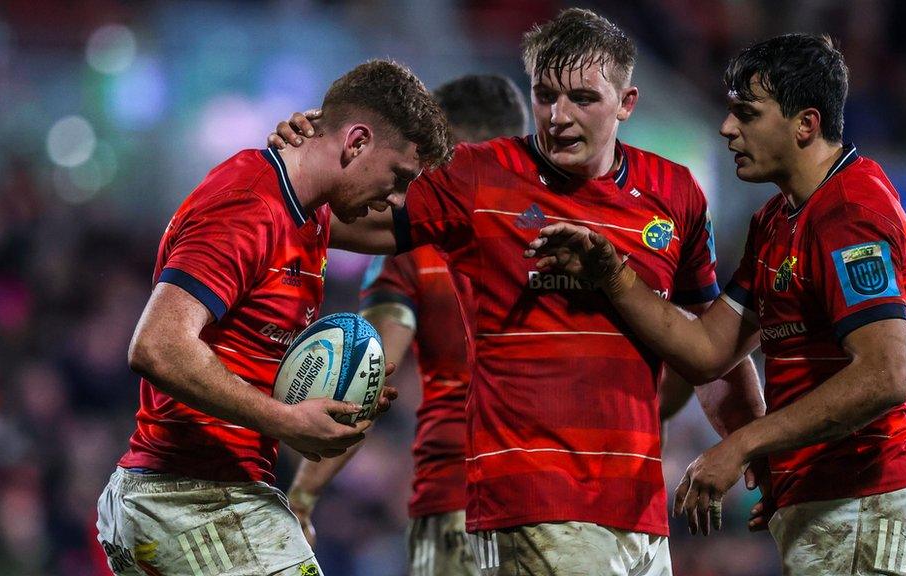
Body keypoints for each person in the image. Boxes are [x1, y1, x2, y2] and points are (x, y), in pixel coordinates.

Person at [270, 9, 764, 576]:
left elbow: (712, 347)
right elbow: (354, 220)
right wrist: (296, 167)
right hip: (531, 499)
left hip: (638, 507)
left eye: (583, 98)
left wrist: (752, 451)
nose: (559, 116)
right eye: (545, 95)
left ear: (627, 102)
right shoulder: (478, 175)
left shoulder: (675, 192)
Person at [526, 34, 906, 575]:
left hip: (868, 501)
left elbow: (885, 375)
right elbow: (708, 350)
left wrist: (742, 444)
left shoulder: (848, 214)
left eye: (747, 114)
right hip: (835, 506)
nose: (728, 129)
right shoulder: (776, 221)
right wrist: (612, 273)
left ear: (806, 125)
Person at [95, 60, 452, 576]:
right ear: (355, 143)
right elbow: (156, 344)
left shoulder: (310, 213)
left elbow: (408, 227)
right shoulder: (249, 204)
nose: (396, 197)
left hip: (197, 496)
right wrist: (287, 422)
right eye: (398, 177)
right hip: (190, 498)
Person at [282, 73, 529, 576]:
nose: (416, 181)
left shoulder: (413, 248)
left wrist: (304, 494)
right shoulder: (580, 230)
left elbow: (367, 372)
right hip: (568, 499)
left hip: (458, 501)